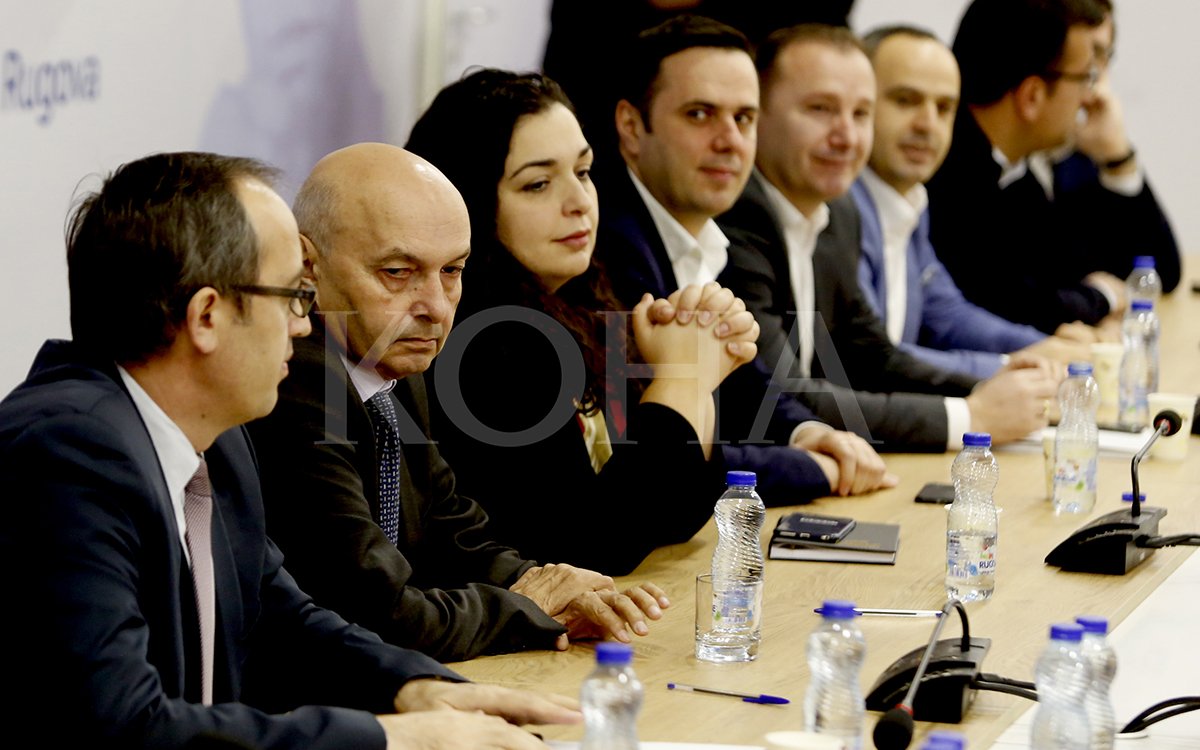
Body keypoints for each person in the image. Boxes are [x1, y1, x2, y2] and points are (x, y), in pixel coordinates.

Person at [0, 151, 580, 749]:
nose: (304, 325)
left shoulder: (219, 440)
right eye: (293, 296)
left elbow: (284, 621)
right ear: (207, 316)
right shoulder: (66, 453)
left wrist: (416, 689)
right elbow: (125, 726)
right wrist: (396, 739)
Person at [248, 142, 671, 661]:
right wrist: (527, 607)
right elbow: (377, 613)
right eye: (397, 272)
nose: (434, 307)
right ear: (308, 266)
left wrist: (554, 586)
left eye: (452, 271)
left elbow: (451, 530)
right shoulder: (296, 379)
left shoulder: (392, 358)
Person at [404, 69, 758, 574]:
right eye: (538, 184)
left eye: (584, 171)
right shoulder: (484, 339)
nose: (578, 202)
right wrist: (682, 380)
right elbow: (589, 544)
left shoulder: (577, 305)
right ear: (469, 201)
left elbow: (674, 513)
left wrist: (694, 363)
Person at [717, 23, 1061, 449]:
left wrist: (993, 388)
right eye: (820, 109)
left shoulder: (838, 212)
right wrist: (970, 416)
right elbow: (781, 397)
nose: (846, 136)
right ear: (757, 115)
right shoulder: (736, 217)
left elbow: (872, 356)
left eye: (861, 114)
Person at [596, 14, 898, 494]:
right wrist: (814, 469)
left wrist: (809, 433)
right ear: (632, 127)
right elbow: (662, 457)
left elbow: (746, 382)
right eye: (700, 115)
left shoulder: (703, 235)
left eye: (743, 119)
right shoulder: (605, 248)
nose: (730, 142)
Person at [852, 25, 1093, 380]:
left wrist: (1045, 348)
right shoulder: (841, 211)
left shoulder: (910, 202)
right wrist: (1014, 366)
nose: (927, 124)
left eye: (944, 108)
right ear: (858, 105)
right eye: (905, 100)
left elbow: (949, 316)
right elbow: (872, 359)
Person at [926, 0, 1146, 333]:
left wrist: (1119, 162)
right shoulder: (943, 175)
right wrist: (1099, 298)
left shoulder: (1017, 174)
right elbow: (1004, 306)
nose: (1089, 97)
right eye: (1085, 77)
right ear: (1032, 96)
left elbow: (1136, 270)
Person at [1029, 0, 1181, 294]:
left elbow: (1158, 273)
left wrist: (1119, 160)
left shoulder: (1079, 154)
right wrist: (1102, 298)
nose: (1090, 72)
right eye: (1082, 52)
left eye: (1099, 54)